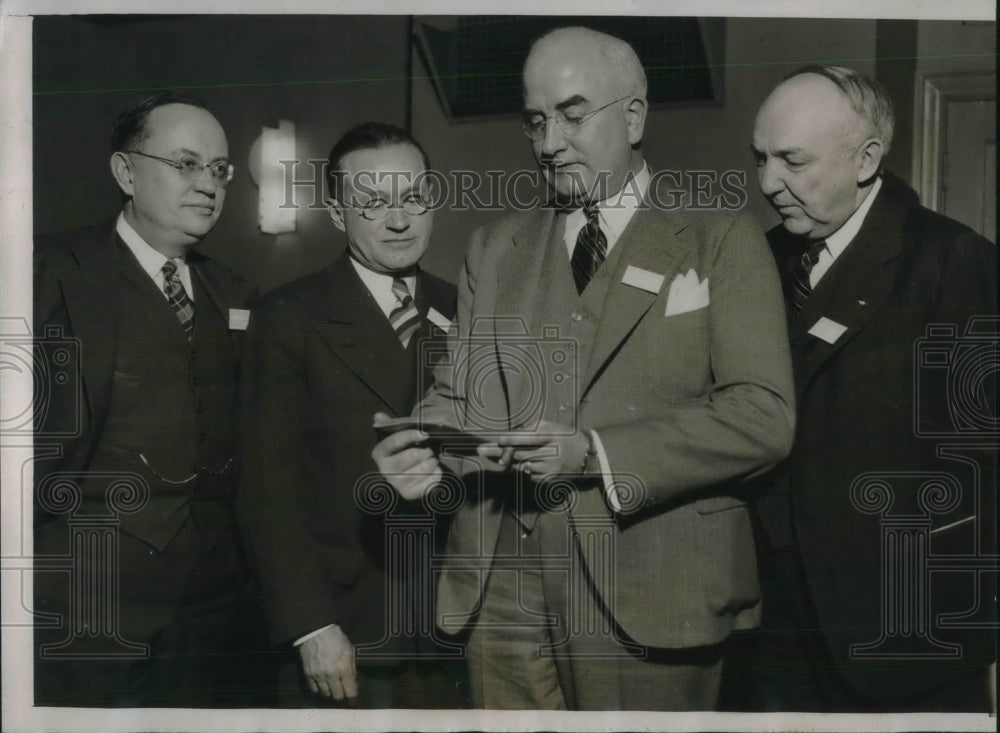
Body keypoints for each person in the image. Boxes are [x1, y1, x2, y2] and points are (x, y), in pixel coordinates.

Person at [372, 26, 795, 710]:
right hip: (500, 592)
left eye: (572, 115)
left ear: (634, 115)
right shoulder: (495, 246)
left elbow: (763, 417)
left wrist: (597, 453)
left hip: (652, 590)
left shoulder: (722, 235)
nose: (548, 143)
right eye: (536, 120)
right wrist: (423, 448)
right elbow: (461, 395)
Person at [739, 65, 996, 712]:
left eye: (793, 161)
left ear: (867, 159)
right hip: (775, 631)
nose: (768, 183)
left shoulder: (953, 260)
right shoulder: (753, 258)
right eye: (761, 158)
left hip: (902, 640)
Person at [33, 91, 265, 706]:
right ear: (125, 172)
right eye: (186, 163)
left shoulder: (234, 291)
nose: (208, 184)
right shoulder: (48, 270)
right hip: (88, 589)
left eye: (219, 170)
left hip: (209, 600)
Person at [238, 122, 464, 708]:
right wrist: (310, 626)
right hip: (349, 626)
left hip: (456, 622)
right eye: (372, 204)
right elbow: (266, 490)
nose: (398, 220)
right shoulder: (290, 314)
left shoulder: (467, 304)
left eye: (412, 198)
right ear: (338, 215)